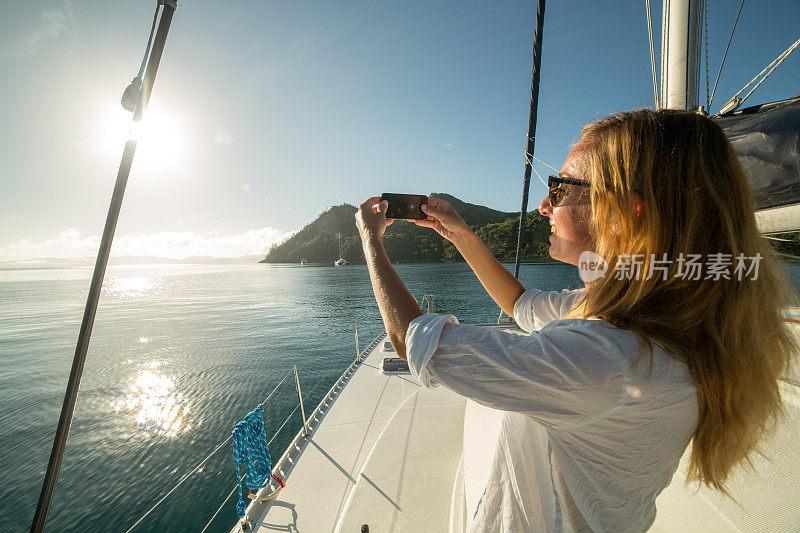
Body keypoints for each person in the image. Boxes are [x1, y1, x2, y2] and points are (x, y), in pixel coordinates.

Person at [355, 109, 797, 532]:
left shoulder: (606, 354)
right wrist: (463, 236)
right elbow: (521, 303)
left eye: (561, 188)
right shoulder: (651, 318)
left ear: (628, 211)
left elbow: (413, 339)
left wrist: (370, 242)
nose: (545, 205)